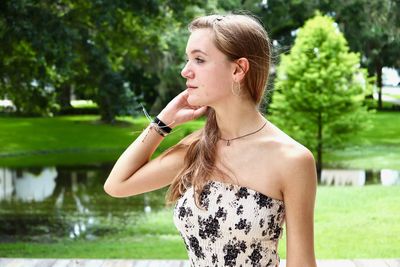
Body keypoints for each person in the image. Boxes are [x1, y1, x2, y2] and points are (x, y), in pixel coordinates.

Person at [104, 13, 317, 267]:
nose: (185, 71)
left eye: (199, 60)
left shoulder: (292, 160)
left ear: (238, 69)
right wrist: (162, 124)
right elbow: (117, 185)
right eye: (187, 59)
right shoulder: (197, 148)